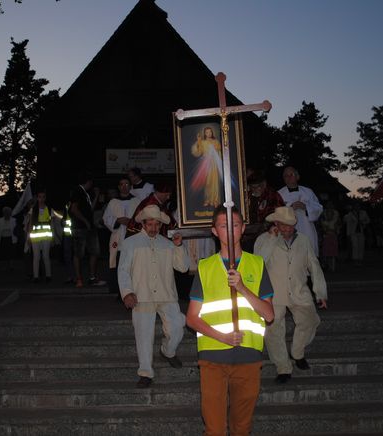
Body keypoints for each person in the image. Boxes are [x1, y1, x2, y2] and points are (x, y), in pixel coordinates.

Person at [186, 205, 274, 436]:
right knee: (214, 429)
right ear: (214, 231)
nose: (230, 231)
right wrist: (222, 336)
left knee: (242, 428)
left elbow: (269, 314)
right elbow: (192, 318)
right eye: (223, 226)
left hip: (249, 356)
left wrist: (243, 288)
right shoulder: (205, 267)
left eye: (234, 225)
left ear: (243, 228)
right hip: (213, 357)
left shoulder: (257, 264)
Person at [118, 205, 190, 388]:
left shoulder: (167, 244)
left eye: (157, 224)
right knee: (143, 335)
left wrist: (179, 246)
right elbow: (123, 270)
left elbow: (183, 267)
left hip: (167, 295)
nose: (153, 228)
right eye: (150, 224)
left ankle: (168, 351)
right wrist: (127, 292)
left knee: (176, 329)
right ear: (143, 223)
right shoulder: (130, 243)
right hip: (141, 295)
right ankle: (145, 373)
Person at [254, 206, 327, 384]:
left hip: (298, 290)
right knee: (273, 330)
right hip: (273, 293)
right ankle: (283, 367)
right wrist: (271, 239)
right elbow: (257, 262)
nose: (287, 229)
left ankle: (297, 352)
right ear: (276, 223)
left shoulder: (303, 240)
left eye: (290, 225)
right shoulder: (264, 239)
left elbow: (314, 266)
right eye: (283, 225)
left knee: (310, 320)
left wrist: (320, 292)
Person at [102, 177, 139, 294]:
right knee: (119, 264)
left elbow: (142, 218)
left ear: (130, 186)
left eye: (127, 184)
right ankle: (120, 292)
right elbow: (106, 218)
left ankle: (134, 291)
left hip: (132, 236)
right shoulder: (113, 202)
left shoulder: (137, 201)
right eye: (122, 184)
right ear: (119, 187)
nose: (124, 186)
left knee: (133, 265)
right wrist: (118, 221)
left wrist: (131, 222)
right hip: (118, 237)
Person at [69, 172, 105, 287]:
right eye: (91, 182)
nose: (92, 184)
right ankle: (79, 279)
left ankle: (92, 278)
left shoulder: (86, 193)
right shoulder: (77, 191)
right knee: (78, 253)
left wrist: (96, 195)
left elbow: (90, 209)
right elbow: (73, 209)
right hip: (80, 228)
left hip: (89, 227)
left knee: (94, 252)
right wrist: (85, 221)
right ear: (88, 181)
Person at [277, 166, 323, 256]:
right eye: (286, 176)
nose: (289, 177)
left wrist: (306, 207)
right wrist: (290, 208)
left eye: (291, 174)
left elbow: (319, 208)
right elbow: (275, 213)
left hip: (307, 229)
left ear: (297, 176)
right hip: (287, 231)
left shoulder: (308, 192)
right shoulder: (279, 194)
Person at [25, 191, 58, 283]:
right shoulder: (33, 209)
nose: (41, 199)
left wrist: (53, 237)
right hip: (35, 237)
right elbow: (30, 224)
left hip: (47, 237)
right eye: (40, 197)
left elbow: (52, 224)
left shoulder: (49, 209)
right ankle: (36, 277)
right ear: (37, 198)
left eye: (43, 197)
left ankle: (48, 276)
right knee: (36, 257)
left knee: (46, 256)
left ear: (45, 198)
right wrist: (28, 237)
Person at [190, 126, 223, 208]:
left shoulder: (216, 142)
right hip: (205, 164)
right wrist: (198, 141)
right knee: (207, 183)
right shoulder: (203, 142)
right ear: (205, 133)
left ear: (212, 133)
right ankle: (208, 200)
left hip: (214, 164)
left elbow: (220, 153)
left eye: (210, 132)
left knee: (215, 183)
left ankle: (215, 200)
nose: (209, 133)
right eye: (207, 132)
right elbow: (198, 152)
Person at [320, 201, 341, 272]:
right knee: (326, 251)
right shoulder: (323, 213)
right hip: (326, 234)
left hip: (334, 234)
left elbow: (339, 223)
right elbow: (321, 223)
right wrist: (324, 230)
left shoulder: (336, 213)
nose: (329, 206)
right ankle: (327, 266)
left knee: (333, 252)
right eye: (328, 205)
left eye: (331, 205)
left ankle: (333, 267)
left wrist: (337, 230)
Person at [0, 206, 17, 271]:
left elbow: (16, 230)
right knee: (4, 253)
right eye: (5, 212)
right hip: (3, 238)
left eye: (8, 212)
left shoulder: (14, 220)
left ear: (10, 213)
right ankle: (5, 266)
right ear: (3, 213)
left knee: (11, 253)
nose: (7, 213)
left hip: (11, 239)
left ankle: (11, 266)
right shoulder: (0, 220)